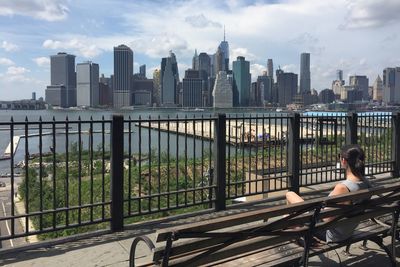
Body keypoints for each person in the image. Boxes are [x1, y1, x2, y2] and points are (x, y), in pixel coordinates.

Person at [286, 144, 371, 243]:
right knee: (292, 216)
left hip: (331, 233)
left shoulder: (343, 188)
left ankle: (297, 232)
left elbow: (326, 219)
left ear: (343, 161)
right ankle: (296, 229)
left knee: (290, 195)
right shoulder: (366, 183)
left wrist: (314, 210)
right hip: (347, 230)